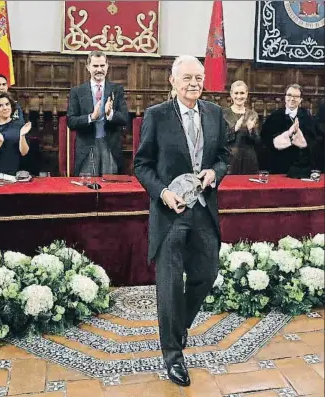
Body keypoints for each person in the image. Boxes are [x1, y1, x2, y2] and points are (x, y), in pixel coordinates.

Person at [134, 55, 228, 387]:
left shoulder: (215, 114)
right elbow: (141, 165)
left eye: (198, 78)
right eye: (186, 78)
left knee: (207, 273)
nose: (193, 84)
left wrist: (215, 171)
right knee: (171, 287)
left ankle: (179, 325)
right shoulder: (156, 116)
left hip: (203, 210)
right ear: (173, 81)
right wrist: (162, 193)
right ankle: (173, 356)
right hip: (170, 213)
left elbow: (224, 156)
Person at [67, 50, 129, 176]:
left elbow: (124, 118)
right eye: (95, 66)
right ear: (88, 67)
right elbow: (71, 121)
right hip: (87, 148)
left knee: (110, 189)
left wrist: (110, 114)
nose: (99, 69)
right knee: (87, 190)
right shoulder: (77, 91)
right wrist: (91, 117)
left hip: (110, 147)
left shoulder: (117, 90)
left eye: (102, 66)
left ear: (107, 66)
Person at [261, 84, 316, 177]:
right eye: (289, 95)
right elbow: (265, 138)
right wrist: (284, 137)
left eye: (296, 96)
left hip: (300, 167)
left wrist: (301, 139)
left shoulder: (307, 116)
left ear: (301, 99)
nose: (292, 99)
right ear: (285, 97)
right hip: (279, 165)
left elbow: (312, 139)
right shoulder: (275, 116)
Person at [0, 92, 31, 176]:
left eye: (7, 104)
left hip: (14, 175)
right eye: (0, 105)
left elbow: (24, 152)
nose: (5, 108)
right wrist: (0, 142)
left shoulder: (19, 125)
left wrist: (22, 135)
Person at [223, 80, 260, 174]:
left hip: (249, 161)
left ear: (247, 94)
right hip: (231, 160)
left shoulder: (253, 114)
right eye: (236, 93)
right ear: (231, 94)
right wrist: (235, 129)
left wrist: (250, 130)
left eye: (242, 93)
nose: (239, 96)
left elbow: (258, 141)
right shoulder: (223, 114)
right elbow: (220, 140)